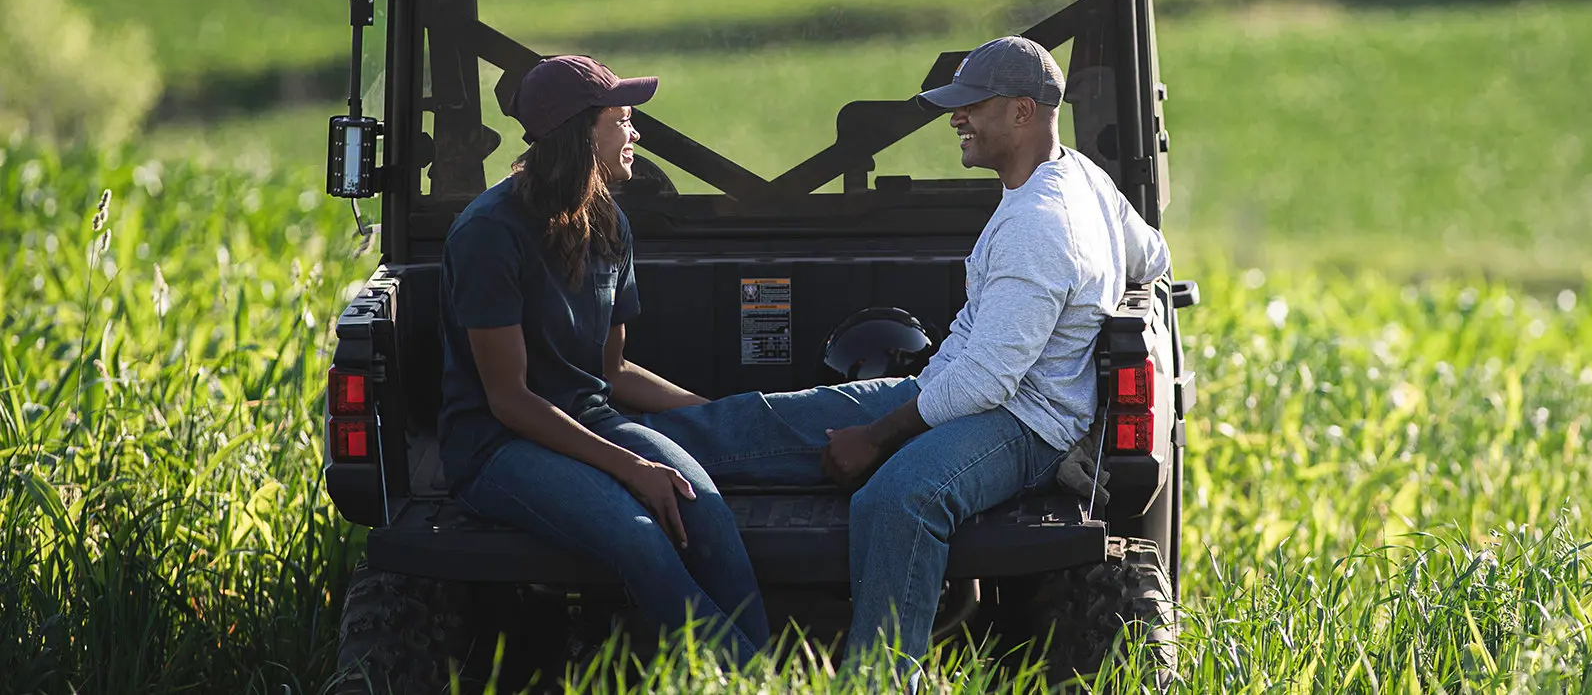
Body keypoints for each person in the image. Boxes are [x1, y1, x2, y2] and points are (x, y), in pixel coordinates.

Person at [639, 36, 1170, 663]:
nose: (957, 118)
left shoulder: (1042, 225)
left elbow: (985, 386)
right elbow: (1154, 257)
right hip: (961, 392)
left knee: (898, 500)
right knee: (760, 423)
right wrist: (1096, 314)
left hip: (1021, 425)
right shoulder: (1080, 176)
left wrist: (876, 437)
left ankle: (877, 678)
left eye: (972, 104)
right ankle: (619, 450)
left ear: (1024, 112)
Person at [437, 55, 769, 660]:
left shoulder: (609, 220)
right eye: (622, 119)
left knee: (708, 514)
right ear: (580, 134)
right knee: (640, 539)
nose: (635, 133)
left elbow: (611, 373)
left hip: (592, 422)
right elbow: (508, 400)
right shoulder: (488, 233)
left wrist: (717, 413)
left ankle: (759, 670)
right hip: (498, 448)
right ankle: (755, 680)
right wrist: (631, 468)